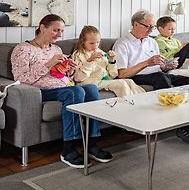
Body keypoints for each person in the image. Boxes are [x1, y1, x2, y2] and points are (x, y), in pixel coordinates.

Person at [11, 14, 113, 169]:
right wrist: (49, 63)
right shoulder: (23, 49)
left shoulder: (57, 48)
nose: (59, 34)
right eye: (55, 30)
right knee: (75, 92)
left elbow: (65, 75)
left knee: (91, 89)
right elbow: (21, 79)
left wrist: (69, 70)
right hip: (40, 91)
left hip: (63, 86)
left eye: (61, 31)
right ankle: (68, 149)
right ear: (42, 27)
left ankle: (91, 143)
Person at [113, 10, 189, 143]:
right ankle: (183, 127)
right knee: (162, 78)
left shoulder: (151, 42)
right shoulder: (122, 43)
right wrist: (146, 63)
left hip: (158, 73)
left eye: (152, 27)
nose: (151, 30)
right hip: (136, 76)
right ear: (135, 24)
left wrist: (167, 66)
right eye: (147, 26)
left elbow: (159, 67)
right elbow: (122, 74)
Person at [72, 25, 145, 97]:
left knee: (129, 81)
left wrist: (111, 61)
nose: (95, 46)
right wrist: (90, 61)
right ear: (83, 41)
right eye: (91, 43)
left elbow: (113, 74)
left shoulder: (101, 52)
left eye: (98, 42)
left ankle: (143, 102)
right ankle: (128, 106)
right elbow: (78, 78)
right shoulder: (78, 55)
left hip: (104, 81)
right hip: (89, 82)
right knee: (121, 83)